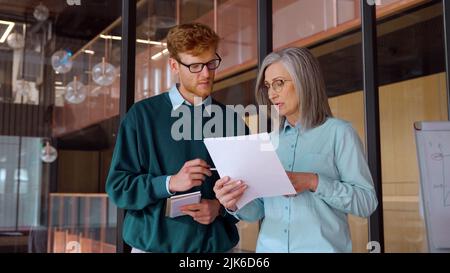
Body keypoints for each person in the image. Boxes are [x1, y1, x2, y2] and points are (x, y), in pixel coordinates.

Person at [214, 47, 378, 252]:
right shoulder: (268, 142)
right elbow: (258, 211)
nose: (272, 94)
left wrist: (313, 181)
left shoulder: (339, 133)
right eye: (268, 86)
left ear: (304, 81)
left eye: (279, 83)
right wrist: (233, 202)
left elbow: (366, 203)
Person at [106, 23, 247, 253]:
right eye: (195, 66)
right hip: (152, 248)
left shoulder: (232, 121)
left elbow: (249, 189)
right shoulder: (141, 117)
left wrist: (220, 207)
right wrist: (169, 183)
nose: (206, 73)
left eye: (211, 63)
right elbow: (119, 188)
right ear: (174, 65)